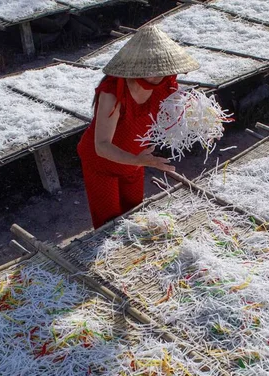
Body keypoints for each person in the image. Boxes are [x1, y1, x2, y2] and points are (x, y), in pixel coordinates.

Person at [77, 25, 199, 229]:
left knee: (134, 215)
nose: (156, 76)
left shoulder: (166, 85)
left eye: (160, 69)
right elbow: (102, 145)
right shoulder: (113, 92)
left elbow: (169, 116)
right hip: (101, 164)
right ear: (135, 67)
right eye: (149, 70)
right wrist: (136, 159)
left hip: (136, 160)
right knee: (109, 225)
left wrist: (190, 115)